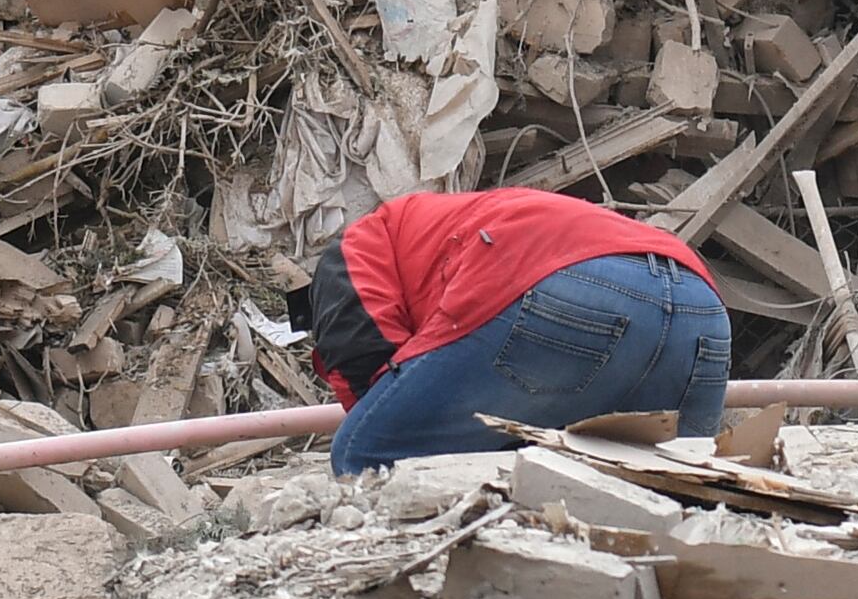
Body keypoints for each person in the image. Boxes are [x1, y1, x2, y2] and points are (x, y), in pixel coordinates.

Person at [308, 185, 729, 470]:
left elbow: (362, 359)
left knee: (366, 450)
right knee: (676, 494)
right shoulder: (446, 222)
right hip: (702, 304)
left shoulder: (360, 243)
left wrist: (377, 410)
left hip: (558, 281)